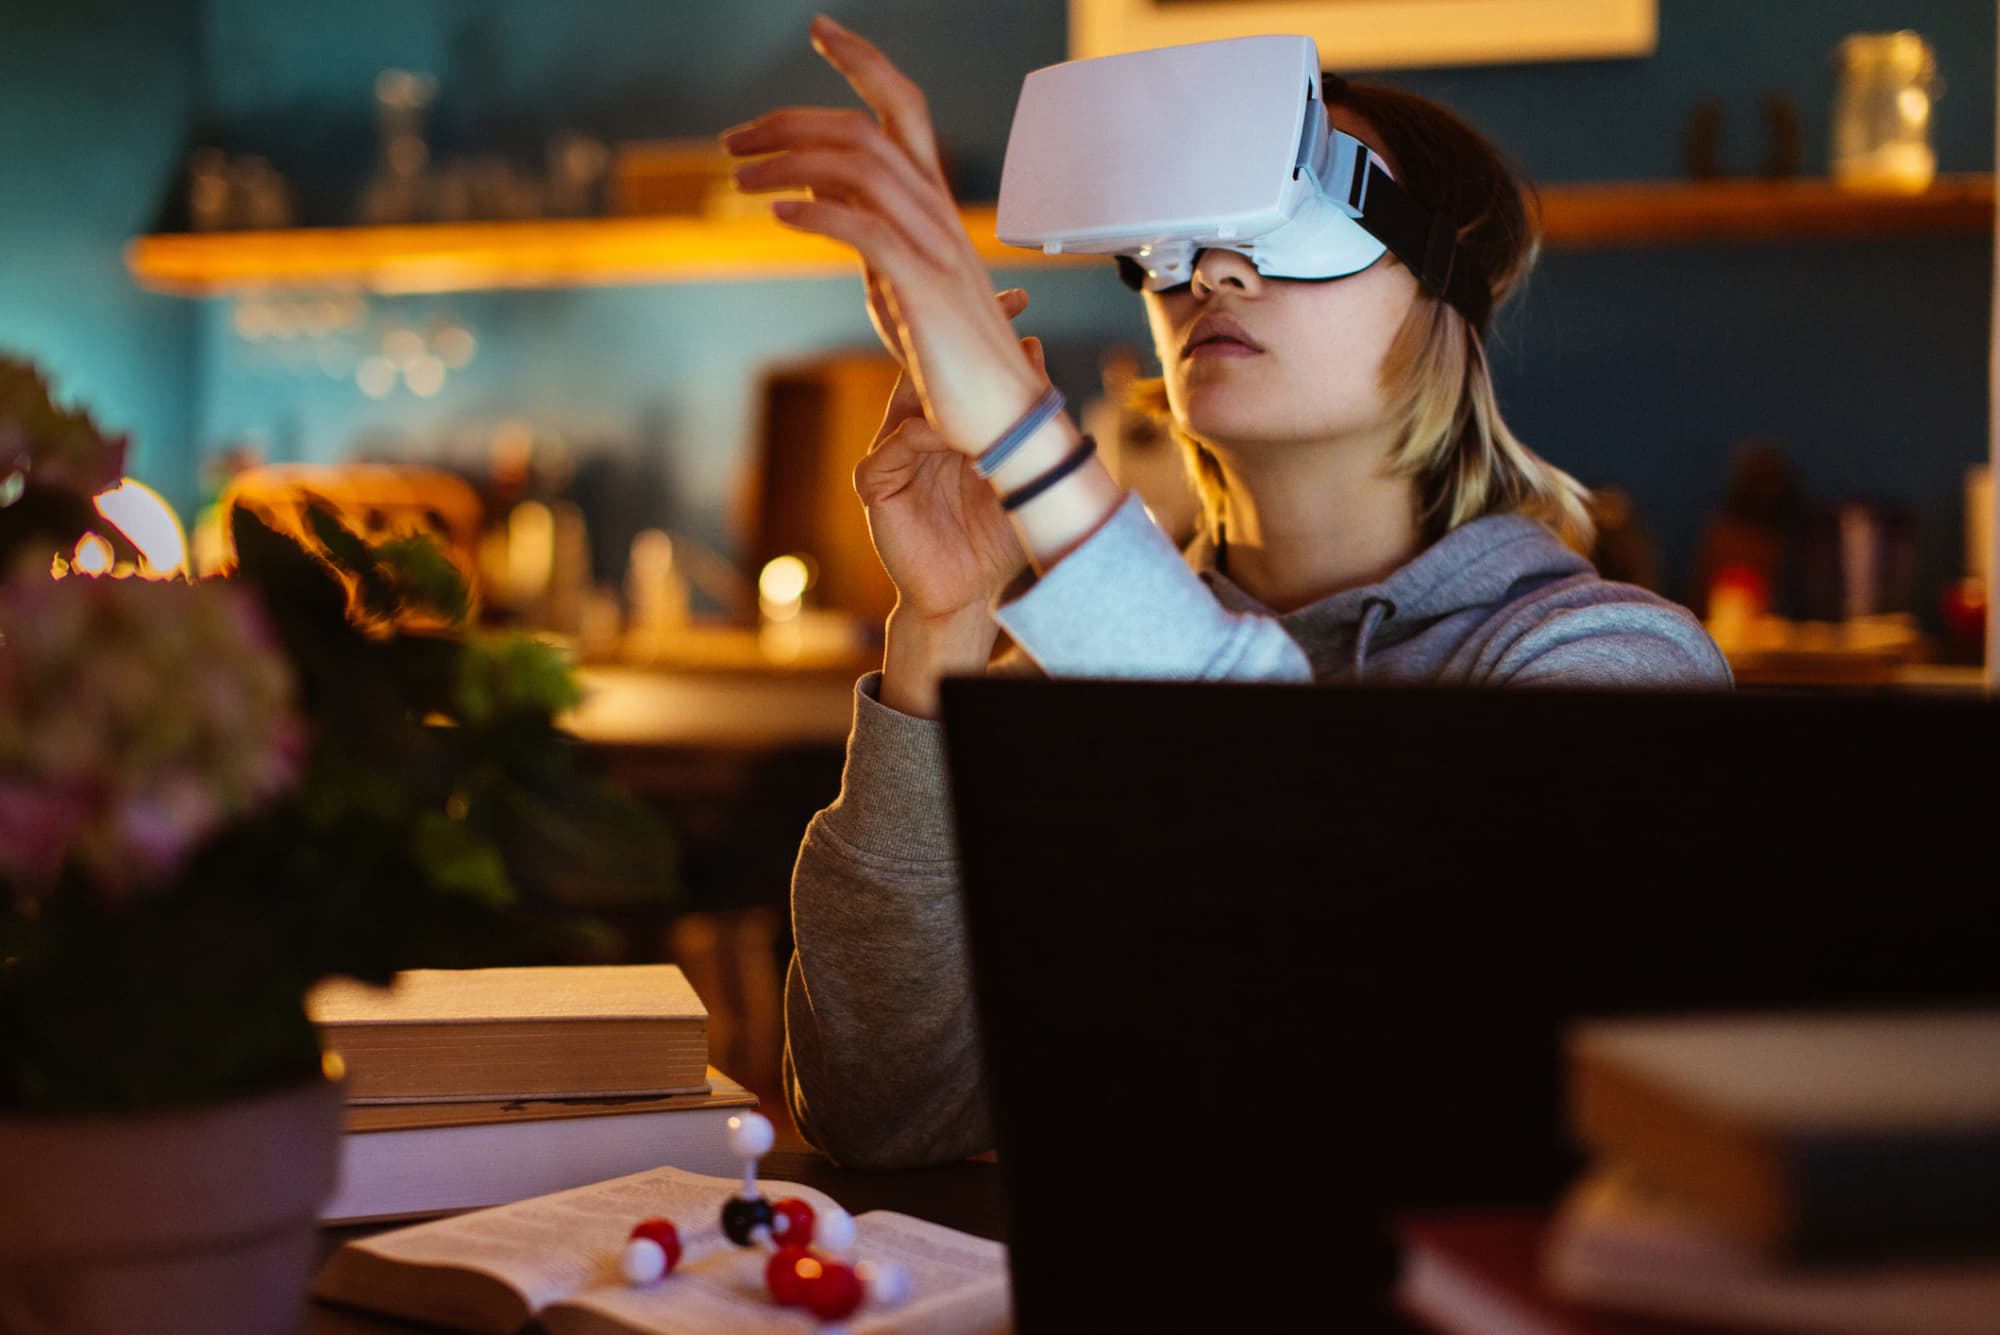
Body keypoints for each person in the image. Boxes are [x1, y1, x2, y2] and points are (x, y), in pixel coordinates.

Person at [722, 16, 1732, 1170]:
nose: (1216, 269)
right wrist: (943, 634)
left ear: (1449, 285)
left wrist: (1024, 439)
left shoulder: (1605, 662)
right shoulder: (1068, 677)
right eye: (1183, 234)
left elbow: (1365, 961)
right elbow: (883, 1118)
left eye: (1298, 214)